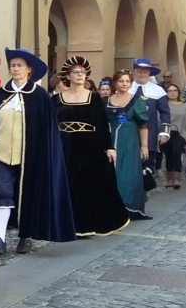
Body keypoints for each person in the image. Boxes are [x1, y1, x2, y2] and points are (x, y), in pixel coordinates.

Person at [0, 48, 75, 254]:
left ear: (29, 69)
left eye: (19, 65)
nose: (15, 69)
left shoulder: (39, 96)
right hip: (1, 153)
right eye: (12, 65)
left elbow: (46, 129)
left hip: (31, 154)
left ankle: (26, 236)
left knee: (29, 194)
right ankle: (0, 238)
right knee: (2, 192)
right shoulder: (1, 94)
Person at [52, 57, 129, 236]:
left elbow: (101, 124)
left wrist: (109, 147)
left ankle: (92, 223)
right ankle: (72, 225)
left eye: (83, 72)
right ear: (68, 76)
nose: (80, 75)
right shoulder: (56, 99)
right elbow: (51, 125)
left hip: (89, 145)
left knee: (90, 184)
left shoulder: (94, 98)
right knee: (69, 184)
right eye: (76, 72)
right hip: (64, 145)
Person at [105, 70, 151, 219]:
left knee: (128, 173)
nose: (124, 84)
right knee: (111, 172)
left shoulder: (136, 100)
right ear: (115, 83)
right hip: (110, 138)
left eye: (127, 81)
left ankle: (130, 207)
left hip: (129, 140)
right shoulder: (106, 100)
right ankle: (112, 207)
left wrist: (144, 146)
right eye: (121, 81)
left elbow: (143, 124)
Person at [128, 58, 170, 181]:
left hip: (150, 133)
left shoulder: (157, 90)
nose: (142, 74)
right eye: (140, 71)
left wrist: (164, 131)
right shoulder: (127, 87)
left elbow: (165, 112)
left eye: (145, 72)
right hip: (129, 132)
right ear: (135, 71)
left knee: (146, 164)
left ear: (149, 73)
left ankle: (145, 187)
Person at [161, 84, 186, 190]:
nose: (172, 92)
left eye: (175, 90)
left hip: (181, 133)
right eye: (170, 90)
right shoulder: (164, 105)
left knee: (177, 152)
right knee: (168, 155)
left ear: (178, 92)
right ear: (166, 93)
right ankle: (169, 178)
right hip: (167, 133)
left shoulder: (185, 106)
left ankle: (177, 177)